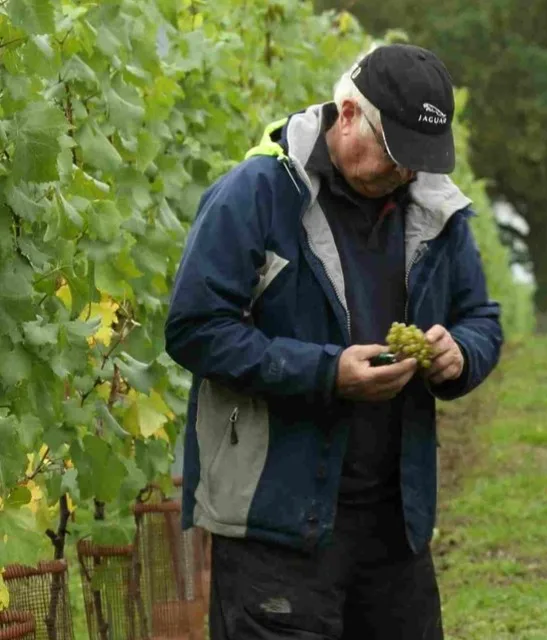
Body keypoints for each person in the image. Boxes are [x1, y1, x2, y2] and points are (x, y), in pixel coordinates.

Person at [164, 43, 503, 639]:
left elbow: (480, 315)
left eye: (420, 160)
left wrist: (461, 354)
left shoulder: (434, 210)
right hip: (276, 523)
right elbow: (195, 328)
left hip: (396, 526)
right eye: (396, 154)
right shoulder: (257, 194)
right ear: (348, 115)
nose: (407, 173)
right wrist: (326, 373)